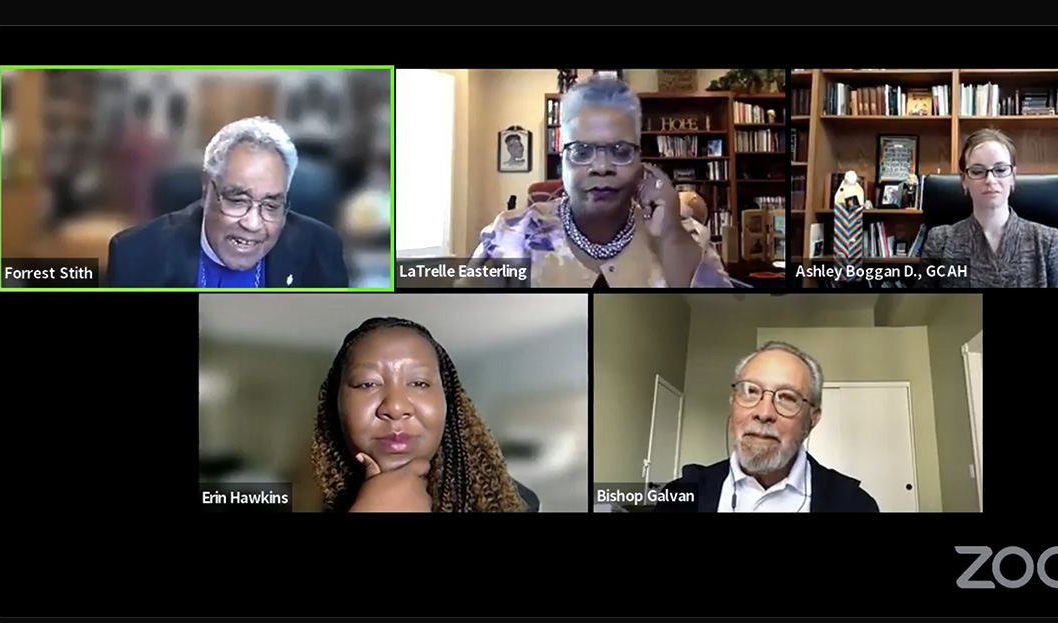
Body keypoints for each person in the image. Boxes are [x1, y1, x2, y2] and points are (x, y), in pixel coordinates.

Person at [466, 78, 734, 288]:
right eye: (582, 152)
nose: (602, 167)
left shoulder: (688, 236)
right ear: (562, 161)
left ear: (641, 161)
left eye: (620, 150)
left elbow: (723, 328)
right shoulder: (510, 236)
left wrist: (671, 238)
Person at [310, 317, 538, 512]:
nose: (396, 407)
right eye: (368, 383)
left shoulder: (518, 503)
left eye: (419, 382)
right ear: (336, 406)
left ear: (447, 400)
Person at [105, 116, 349, 288]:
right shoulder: (136, 253)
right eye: (237, 200)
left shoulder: (322, 249)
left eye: (271, 206)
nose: (253, 224)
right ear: (206, 187)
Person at [652, 341, 879, 512]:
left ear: (812, 419)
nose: (764, 413)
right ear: (732, 403)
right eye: (750, 391)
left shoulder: (854, 505)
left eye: (787, 397)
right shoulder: (678, 496)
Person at [921, 128, 1058, 288]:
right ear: (964, 180)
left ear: (1013, 177)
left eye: (1000, 170)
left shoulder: (1047, 241)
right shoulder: (940, 241)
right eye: (978, 171)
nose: (990, 180)